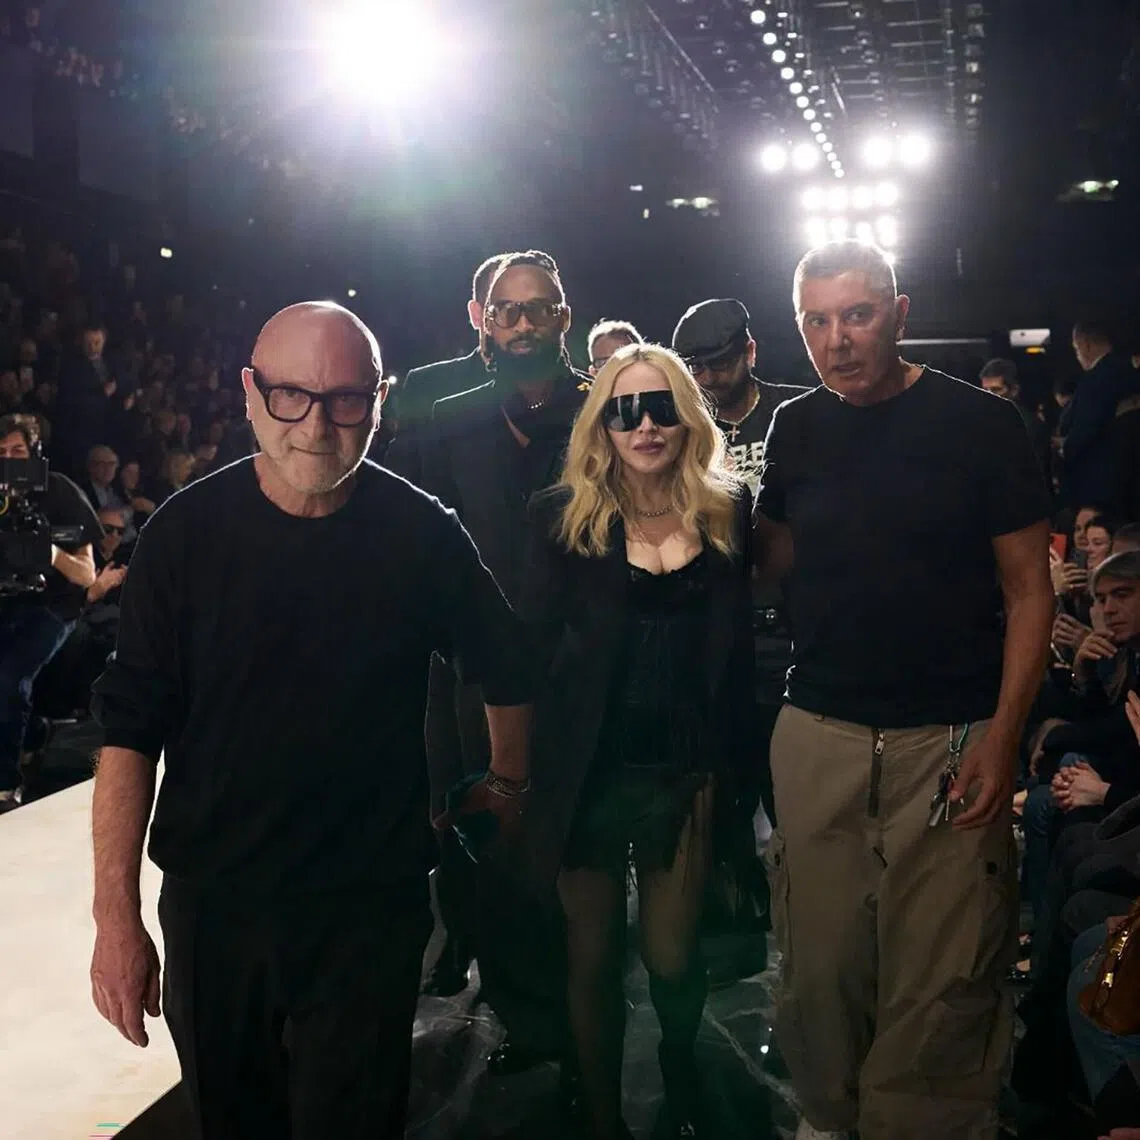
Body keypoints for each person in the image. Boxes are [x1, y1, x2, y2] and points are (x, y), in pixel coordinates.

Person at [88, 301, 533, 1140]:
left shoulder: (419, 533)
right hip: (216, 903)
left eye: (345, 399)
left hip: (367, 904)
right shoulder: (184, 536)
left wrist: (508, 783)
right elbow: (130, 728)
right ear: (250, 395)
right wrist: (116, 919)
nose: (317, 425)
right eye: (293, 395)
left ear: (379, 400)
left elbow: (506, 661)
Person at [753, 241, 1054, 1140]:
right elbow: (773, 563)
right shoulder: (796, 427)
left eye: (856, 314)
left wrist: (1005, 736)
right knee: (818, 968)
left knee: (945, 977)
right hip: (820, 732)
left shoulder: (982, 426)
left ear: (900, 311)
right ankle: (827, 1116)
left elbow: (1029, 591)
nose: (836, 339)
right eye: (815, 319)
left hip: (952, 736)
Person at [519, 343, 754, 1140]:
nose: (644, 424)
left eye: (660, 407)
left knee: (672, 955)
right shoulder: (560, 518)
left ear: (686, 416)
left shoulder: (729, 511)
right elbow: (530, 655)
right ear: (602, 423)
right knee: (589, 957)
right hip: (585, 769)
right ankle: (603, 1114)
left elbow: (741, 657)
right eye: (625, 409)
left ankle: (681, 1064)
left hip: (683, 766)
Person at [419, 249, 591, 1076]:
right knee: (478, 845)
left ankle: (579, 1016)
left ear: (565, 315)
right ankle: (529, 1015)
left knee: (573, 853)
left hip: (582, 671)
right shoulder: (440, 417)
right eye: (508, 309)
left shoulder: (604, 412)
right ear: (480, 317)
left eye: (541, 307)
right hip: (467, 676)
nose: (524, 322)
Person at [0, 414, 101, 812]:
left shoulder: (58, 492)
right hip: (7, 602)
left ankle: (6, 785)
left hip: (53, 605)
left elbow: (87, 574)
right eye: (2, 453)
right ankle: (36, 732)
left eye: (18, 452)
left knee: (8, 677)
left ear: (34, 452)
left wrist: (51, 552)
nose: (10, 460)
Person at [383, 253, 506, 485]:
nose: (520, 320)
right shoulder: (428, 386)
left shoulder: (576, 392)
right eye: (502, 306)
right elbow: (399, 484)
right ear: (476, 314)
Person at [1062, 322, 1140, 510]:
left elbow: (1086, 427)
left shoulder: (1098, 380)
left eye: (1076, 349)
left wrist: (1064, 450)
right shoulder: (1128, 372)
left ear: (1085, 345)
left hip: (1099, 478)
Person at [979, 357, 1050, 473]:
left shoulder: (1030, 426)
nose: (989, 396)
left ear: (1014, 390)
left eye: (996, 390)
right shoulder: (981, 424)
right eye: (985, 390)